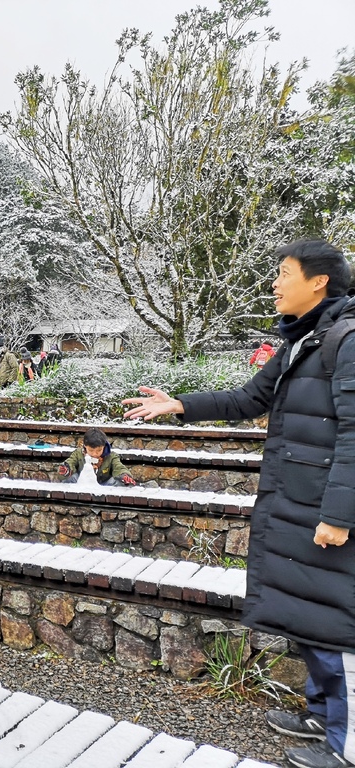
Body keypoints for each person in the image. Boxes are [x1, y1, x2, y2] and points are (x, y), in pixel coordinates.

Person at [123, 239, 355, 768]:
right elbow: (251, 398)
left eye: (284, 273)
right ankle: (323, 714)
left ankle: (348, 748)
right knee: (309, 615)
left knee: (340, 625)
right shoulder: (308, 341)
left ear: (318, 281)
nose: (274, 284)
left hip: (326, 511)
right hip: (298, 502)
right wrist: (179, 404)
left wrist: (340, 516)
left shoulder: (347, 339)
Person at [57, 427, 137, 486]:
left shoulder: (111, 457)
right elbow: (70, 462)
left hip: (104, 485)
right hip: (82, 484)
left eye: (99, 450)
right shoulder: (78, 454)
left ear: (104, 446)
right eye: (91, 450)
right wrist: (66, 470)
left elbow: (119, 467)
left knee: (118, 482)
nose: (95, 454)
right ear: (85, 446)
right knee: (70, 478)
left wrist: (124, 476)